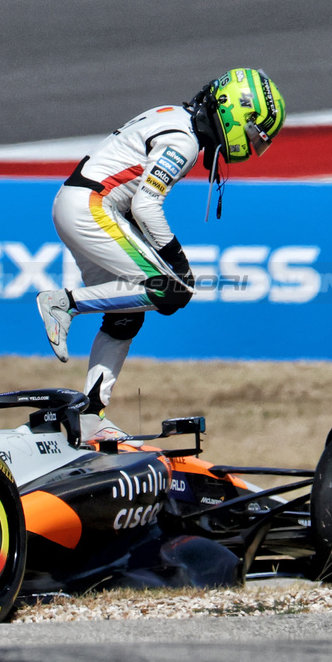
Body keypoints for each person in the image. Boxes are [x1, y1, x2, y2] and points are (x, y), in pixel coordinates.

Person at [36, 68, 285, 441]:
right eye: (253, 134)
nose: (250, 147)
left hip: (79, 203)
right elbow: (146, 205)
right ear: (235, 114)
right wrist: (179, 263)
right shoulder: (184, 142)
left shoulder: (175, 116)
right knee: (172, 292)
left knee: (127, 316)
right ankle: (64, 303)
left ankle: (90, 414)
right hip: (91, 207)